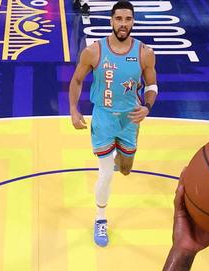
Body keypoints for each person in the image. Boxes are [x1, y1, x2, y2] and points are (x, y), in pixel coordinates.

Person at [68, 1, 158, 248]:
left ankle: (119, 158)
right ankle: (100, 218)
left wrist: (147, 107)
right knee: (106, 174)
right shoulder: (94, 51)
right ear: (111, 21)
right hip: (104, 118)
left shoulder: (145, 53)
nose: (123, 24)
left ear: (133, 21)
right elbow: (76, 81)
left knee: (126, 169)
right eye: (119, 19)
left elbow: (151, 86)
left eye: (128, 19)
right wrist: (74, 110)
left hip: (130, 119)